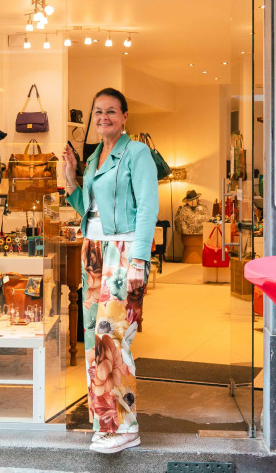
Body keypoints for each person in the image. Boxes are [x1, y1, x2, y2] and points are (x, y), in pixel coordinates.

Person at [63, 87, 158, 454]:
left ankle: (127, 425)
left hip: (123, 250)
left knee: (113, 336)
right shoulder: (95, 157)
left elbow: (148, 208)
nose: (104, 117)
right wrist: (73, 176)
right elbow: (86, 209)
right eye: (98, 111)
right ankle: (106, 423)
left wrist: (139, 260)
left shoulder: (137, 153)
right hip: (94, 251)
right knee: (93, 340)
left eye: (111, 111)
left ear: (125, 117)